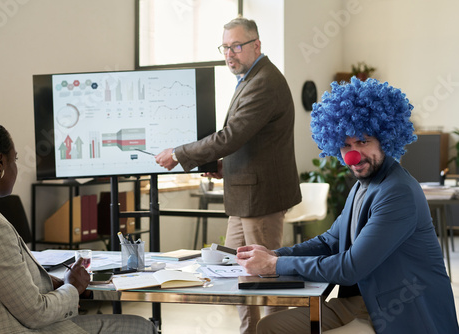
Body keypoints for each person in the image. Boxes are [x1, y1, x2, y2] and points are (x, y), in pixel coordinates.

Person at [236, 78, 459, 333]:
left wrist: (274, 267)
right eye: (345, 145)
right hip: (363, 300)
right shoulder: (362, 185)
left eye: (363, 142)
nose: (353, 155)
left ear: (385, 138)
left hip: (399, 311)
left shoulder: (398, 192)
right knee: (271, 326)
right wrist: (275, 255)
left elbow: (350, 267)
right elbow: (329, 241)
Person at [155, 17, 301, 334]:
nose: (229, 54)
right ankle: (250, 331)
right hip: (245, 195)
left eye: (236, 46)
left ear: (256, 45)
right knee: (239, 274)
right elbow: (249, 141)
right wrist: (225, 167)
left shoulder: (264, 82)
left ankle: (289, 329)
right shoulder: (251, 78)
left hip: (261, 198)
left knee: (267, 275)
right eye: (225, 47)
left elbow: (231, 136)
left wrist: (180, 153)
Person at [0, 119, 157, 334]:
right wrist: (72, 286)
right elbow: (35, 313)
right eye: (14, 159)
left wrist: (55, 284)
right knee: (143, 327)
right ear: (0, 163)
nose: (16, 166)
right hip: (23, 329)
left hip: (21, 322)